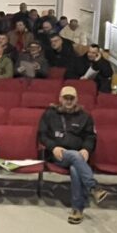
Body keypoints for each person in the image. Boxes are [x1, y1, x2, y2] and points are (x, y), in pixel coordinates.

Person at [39, 86, 107, 224]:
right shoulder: (50, 114)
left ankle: (77, 210)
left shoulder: (85, 116)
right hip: (57, 155)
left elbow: (90, 137)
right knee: (76, 157)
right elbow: (42, 135)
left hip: (79, 156)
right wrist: (53, 147)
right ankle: (93, 187)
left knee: (75, 168)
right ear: (60, 99)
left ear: (76, 99)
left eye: (72, 98)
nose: (69, 101)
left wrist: (86, 149)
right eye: (66, 98)